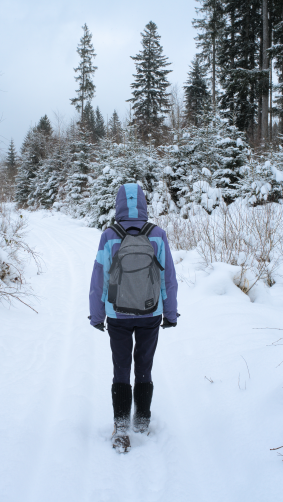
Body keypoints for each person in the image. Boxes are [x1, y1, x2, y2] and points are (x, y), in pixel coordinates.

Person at [88, 183, 178, 440]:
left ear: (118, 204)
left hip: (117, 315)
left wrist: (97, 316)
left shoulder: (109, 235)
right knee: (144, 367)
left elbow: (99, 278)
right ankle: (142, 420)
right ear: (143, 204)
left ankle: (121, 424)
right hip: (151, 314)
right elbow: (168, 279)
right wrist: (170, 314)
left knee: (121, 367)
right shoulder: (157, 234)